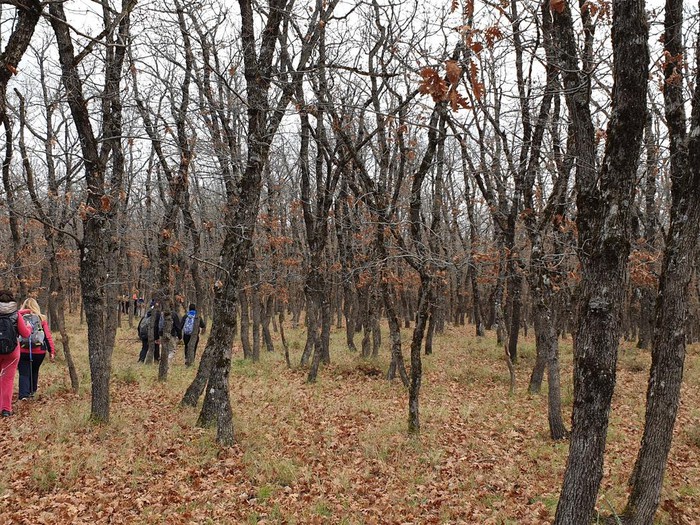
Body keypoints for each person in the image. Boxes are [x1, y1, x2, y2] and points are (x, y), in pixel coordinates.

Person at [17, 298, 56, 400]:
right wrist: (51, 351)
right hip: (39, 351)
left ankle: (23, 395)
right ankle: (32, 391)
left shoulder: (18, 316)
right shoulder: (41, 318)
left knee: (24, 372)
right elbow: (47, 336)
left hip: (22, 350)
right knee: (34, 370)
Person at [0, 290, 31, 417]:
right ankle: (6, 409)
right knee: (7, 380)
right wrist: (29, 326)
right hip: (12, 353)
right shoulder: (15, 315)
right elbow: (25, 334)